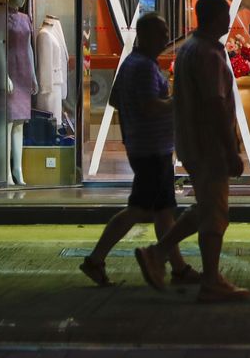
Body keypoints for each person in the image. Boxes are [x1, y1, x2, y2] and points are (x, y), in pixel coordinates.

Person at [134, 0, 250, 302]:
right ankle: (208, 279)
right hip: (208, 145)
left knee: (205, 208)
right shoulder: (208, 55)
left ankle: (157, 254)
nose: (229, 19)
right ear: (216, 18)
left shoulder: (189, 50)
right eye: (226, 14)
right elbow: (215, 104)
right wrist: (231, 149)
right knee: (215, 215)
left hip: (190, 142)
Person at [79, 14, 201, 287]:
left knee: (162, 211)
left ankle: (178, 269)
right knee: (140, 209)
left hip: (142, 145)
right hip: (152, 149)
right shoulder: (144, 67)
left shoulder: (130, 64)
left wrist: (132, 126)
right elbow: (150, 105)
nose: (166, 38)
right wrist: (178, 100)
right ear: (145, 35)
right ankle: (96, 259)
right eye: (162, 32)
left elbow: (116, 100)